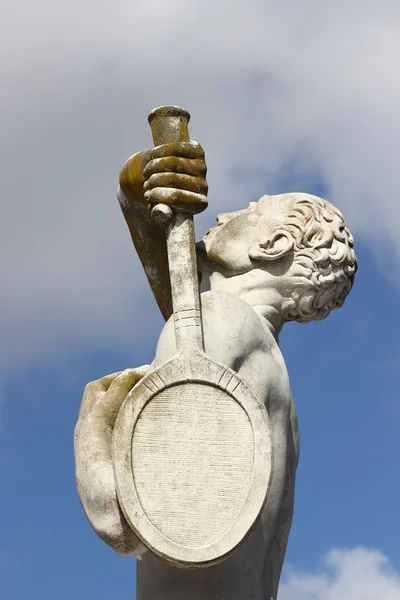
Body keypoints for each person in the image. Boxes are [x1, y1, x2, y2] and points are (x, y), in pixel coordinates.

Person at [74, 139, 357, 600]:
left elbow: (123, 517)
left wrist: (104, 408)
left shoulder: (222, 319)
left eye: (250, 209)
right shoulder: (274, 384)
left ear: (273, 244)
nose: (224, 216)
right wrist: (136, 187)